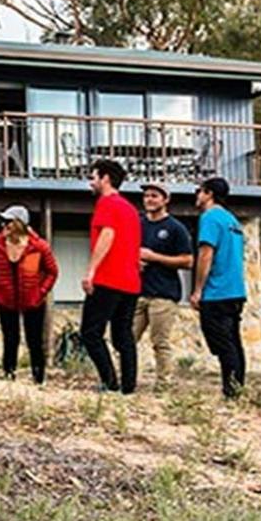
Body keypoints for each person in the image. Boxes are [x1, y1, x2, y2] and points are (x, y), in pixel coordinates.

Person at [79, 159, 142, 394]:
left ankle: (109, 381)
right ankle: (128, 386)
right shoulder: (131, 209)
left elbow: (107, 235)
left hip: (108, 279)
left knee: (90, 333)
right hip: (131, 282)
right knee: (123, 334)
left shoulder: (107, 203)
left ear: (105, 179)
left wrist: (91, 271)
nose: (91, 182)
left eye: (93, 177)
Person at [0, 205, 59, 384]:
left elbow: (52, 271)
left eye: (8, 221)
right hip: (6, 299)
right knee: (10, 339)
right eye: (3, 221)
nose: (4, 225)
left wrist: (41, 293)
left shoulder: (38, 246)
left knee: (34, 341)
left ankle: (38, 378)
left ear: (19, 223)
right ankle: (9, 375)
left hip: (32, 300)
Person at [189, 176, 248, 399]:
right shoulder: (232, 220)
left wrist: (198, 289)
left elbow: (206, 253)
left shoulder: (210, 217)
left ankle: (231, 392)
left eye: (199, 191)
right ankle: (236, 387)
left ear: (209, 194)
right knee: (233, 342)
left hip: (217, 291)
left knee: (223, 344)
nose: (196, 195)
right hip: (236, 290)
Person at [135, 182, 194, 387]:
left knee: (160, 342)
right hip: (138, 291)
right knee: (126, 339)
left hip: (164, 294)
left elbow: (187, 261)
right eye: (146, 196)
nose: (149, 199)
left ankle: (163, 384)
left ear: (165, 200)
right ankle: (126, 379)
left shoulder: (175, 228)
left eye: (154, 196)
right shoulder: (138, 223)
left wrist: (155, 257)